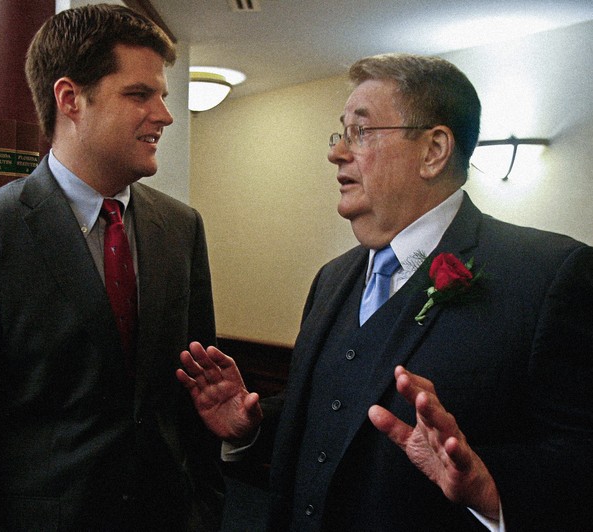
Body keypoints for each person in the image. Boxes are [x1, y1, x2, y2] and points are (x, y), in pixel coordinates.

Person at [177, 53, 593, 531]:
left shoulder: (549, 277)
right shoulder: (331, 279)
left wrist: (491, 488)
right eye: (341, 134)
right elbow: (327, 414)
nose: (337, 153)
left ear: (434, 150)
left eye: (361, 131)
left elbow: (579, 461)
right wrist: (251, 428)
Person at [0, 4, 223, 530]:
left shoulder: (182, 228)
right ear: (70, 99)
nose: (165, 115)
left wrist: (204, 509)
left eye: (163, 96)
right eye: (139, 94)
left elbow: (194, 393)